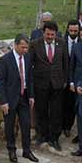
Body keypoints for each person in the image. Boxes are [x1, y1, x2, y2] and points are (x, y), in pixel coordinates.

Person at [0, 35, 38, 163]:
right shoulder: (5, 60)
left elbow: (29, 78)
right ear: (15, 45)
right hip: (10, 98)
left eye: (27, 47)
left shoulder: (27, 57)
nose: (25, 50)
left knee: (26, 124)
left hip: (24, 97)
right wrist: (3, 101)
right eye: (23, 47)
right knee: (10, 125)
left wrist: (31, 95)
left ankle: (27, 150)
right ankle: (11, 149)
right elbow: (0, 82)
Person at [30, 21, 68, 150]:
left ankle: (54, 138)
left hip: (57, 84)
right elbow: (30, 64)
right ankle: (42, 135)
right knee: (41, 110)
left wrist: (65, 80)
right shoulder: (35, 44)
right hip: (41, 84)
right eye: (48, 34)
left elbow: (65, 62)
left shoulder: (62, 43)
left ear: (56, 33)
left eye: (52, 34)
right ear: (43, 32)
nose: (50, 37)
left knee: (56, 112)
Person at [61, 19, 81, 138]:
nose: (73, 33)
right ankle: (61, 125)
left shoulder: (81, 42)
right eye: (71, 30)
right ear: (67, 29)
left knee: (72, 104)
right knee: (61, 103)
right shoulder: (61, 41)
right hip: (62, 78)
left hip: (75, 78)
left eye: (75, 31)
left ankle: (68, 126)